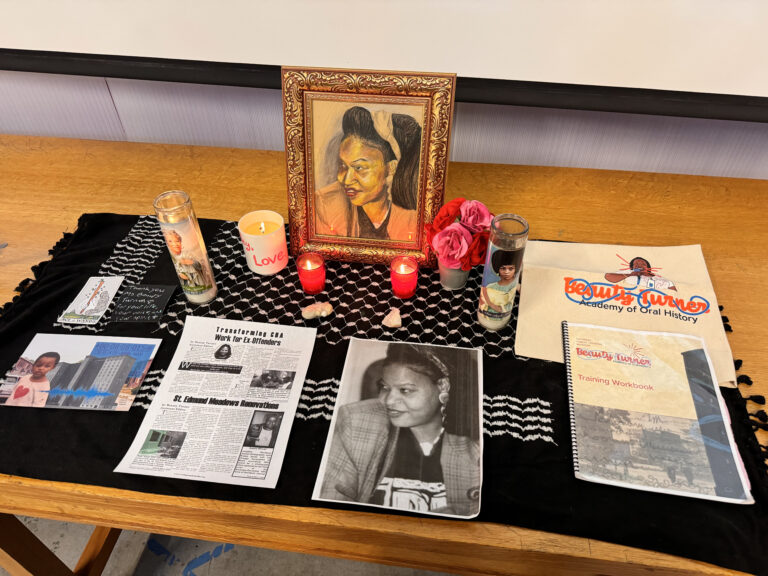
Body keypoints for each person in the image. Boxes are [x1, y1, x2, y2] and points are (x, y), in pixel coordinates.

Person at [320, 343, 480, 517]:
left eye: (405, 390)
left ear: (443, 387)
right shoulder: (356, 421)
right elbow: (331, 506)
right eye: (385, 387)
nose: (388, 401)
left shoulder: (475, 440)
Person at [315, 106, 421, 241]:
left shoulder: (414, 218)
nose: (346, 180)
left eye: (359, 168)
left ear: (391, 167)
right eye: (343, 166)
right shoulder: (325, 207)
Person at [479, 250, 519, 317]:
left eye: (511, 269)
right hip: (485, 316)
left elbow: (507, 308)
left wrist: (490, 304)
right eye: (503, 268)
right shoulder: (490, 286)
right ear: (498, 269)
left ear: (515, 269)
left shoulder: (514, 285)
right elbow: (483, 303)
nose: (507, 272)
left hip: (503, 317)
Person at [604, 256, 677, 291]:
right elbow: (608, 276)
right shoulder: (629, 272)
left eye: (643, 263)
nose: (639, 265)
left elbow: (674, 293)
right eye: (636, 264)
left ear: (649, 268)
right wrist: (630, 275)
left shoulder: (661, 278)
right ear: (632, 267)